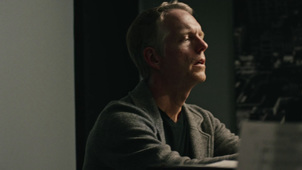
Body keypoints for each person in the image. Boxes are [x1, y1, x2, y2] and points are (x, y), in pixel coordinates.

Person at [82, 1, 240, 170]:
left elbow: (251, 153)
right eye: (186, 38)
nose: (203, 45)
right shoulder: (119, 121)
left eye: (201, 36)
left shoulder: (203, 121)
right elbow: (172, 166)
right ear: (154, 58)